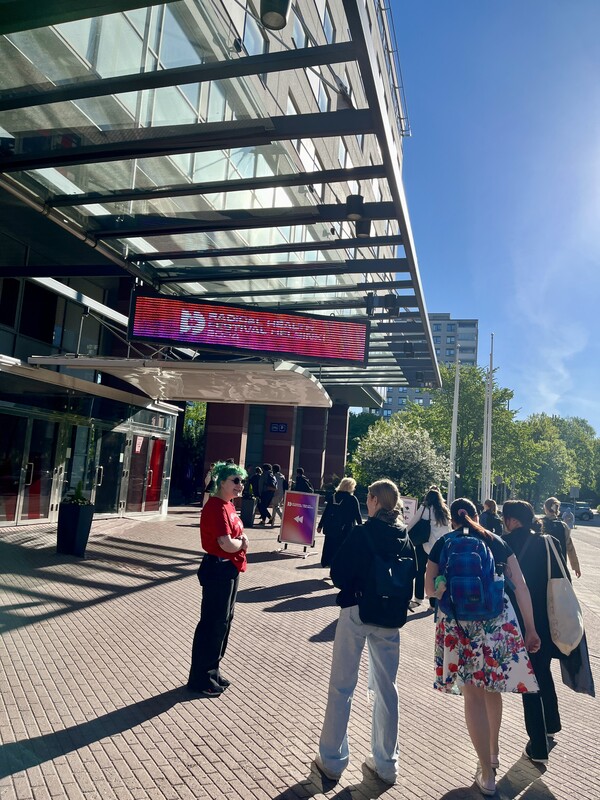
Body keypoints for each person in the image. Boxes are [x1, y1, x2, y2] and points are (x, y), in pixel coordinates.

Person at [425, 497, 540, 797]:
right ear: (476, 516)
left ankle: (486, 775)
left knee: (472, 696)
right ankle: (493, 752)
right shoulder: (497, 541)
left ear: (452, 519)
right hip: (495, 620)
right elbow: (521, 585)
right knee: (491, 689)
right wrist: (531, 628)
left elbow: (428, 588)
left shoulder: (445, 542)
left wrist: (441, 587)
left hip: (458, 624)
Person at [316, 479, 416, 786]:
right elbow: (412, 573)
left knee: (342, 685)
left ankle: (332, 759)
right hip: (389, 617)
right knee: (387, 688)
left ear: (373, 500)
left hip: (357, 611)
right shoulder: (404, 536)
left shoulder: (363, 533)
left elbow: (338, 573)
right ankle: (386, 763)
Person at [502, 499, 590, 763]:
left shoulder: (506, 546)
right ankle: (552, 723)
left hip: (522, 622)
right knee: (542, 672)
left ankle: (538, 746)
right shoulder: (549, 541)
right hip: (551, 619)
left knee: (529, 682)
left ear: (512, 520)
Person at [187, 462, 248, 697]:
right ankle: (201, 678)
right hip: (217, 569)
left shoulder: (229, 506)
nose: (240, 485)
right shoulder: (216, 507)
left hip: (229, 569)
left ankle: (213, 670)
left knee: (224, 622)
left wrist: (238, 543)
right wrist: (243, 544)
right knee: (213, 623)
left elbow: (232, 539)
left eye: (241, 481)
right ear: (222, 482)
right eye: (235, 480)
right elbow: (225, 542)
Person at [406, 485, 451, 609]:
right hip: (439, 546)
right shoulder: (444, 510)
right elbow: (448, 528)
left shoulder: (425, 508)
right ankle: (433, 603)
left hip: (424, 544)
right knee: (436, 573)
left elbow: (413, 522)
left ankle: (418, 598)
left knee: (420, 571)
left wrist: (404, 532)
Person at [317, 477, 363, 568]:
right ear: (350, 487)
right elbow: (358, 515)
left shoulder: (333, 496)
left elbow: (326, 512)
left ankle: (327, 563)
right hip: (346, 529)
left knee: (329, 546)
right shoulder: (352, 499)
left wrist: (320, 525)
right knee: (341, 549)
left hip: (331, 528)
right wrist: (361, 528)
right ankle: (337, 568)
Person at [542, 497, 581, 578]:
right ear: (557, 508)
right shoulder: (563, 526)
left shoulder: (539, 523)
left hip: (541, 563)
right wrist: (575, 566)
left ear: (545, 508)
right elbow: (570, 548)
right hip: (559, 564)